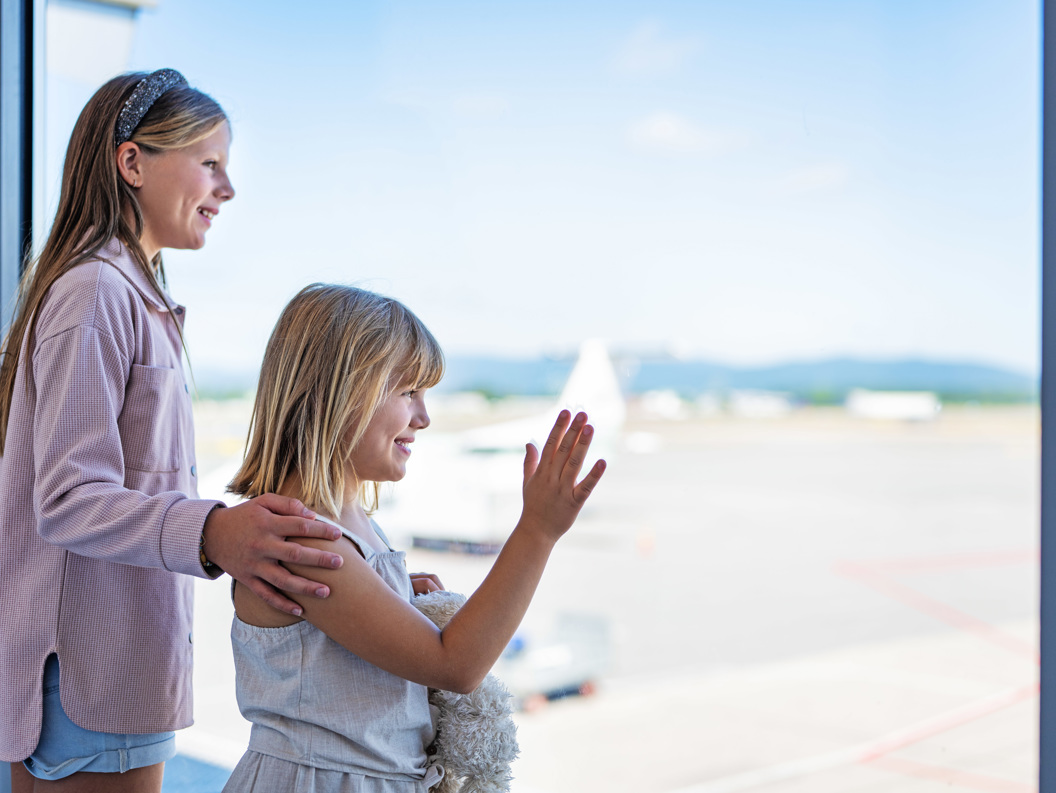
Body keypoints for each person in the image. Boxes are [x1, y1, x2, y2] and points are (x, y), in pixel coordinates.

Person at [0, 70, 346, 793]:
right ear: (132, 164)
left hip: (95, 679)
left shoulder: (123, 291)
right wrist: (215, 531)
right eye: (210, 163)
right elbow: (65, 496)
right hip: (94, 684)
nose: (227, 189)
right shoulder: (97, 292)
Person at [222, 283, 606, 792]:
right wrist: (537, 530)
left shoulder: (354, 526)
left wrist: (396, 600)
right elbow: (457, 665)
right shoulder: (300, 540)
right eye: (408, 392)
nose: (423, 418)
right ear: (338, 392)